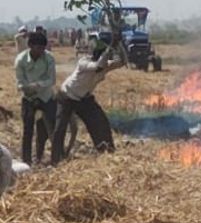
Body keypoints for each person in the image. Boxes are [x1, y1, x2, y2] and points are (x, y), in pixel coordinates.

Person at [51, 35, 125, 165]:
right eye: (102, 54)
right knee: (60, 128)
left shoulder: (106, 64)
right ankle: (56, 160)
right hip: (67, 96)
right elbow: (98, 66)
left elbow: (122, 61)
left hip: (84, 99)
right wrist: (110, 47)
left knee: (101, 123)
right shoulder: (84, 62)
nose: (105, 57)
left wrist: (118, 45)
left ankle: (107, 152)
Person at [14, 30, 57, 164]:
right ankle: (26, 161)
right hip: (28, 97)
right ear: (30, 46)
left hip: (45, 96)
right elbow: (20, 81)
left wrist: (38, 85)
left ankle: (46, 157)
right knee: (28, 130)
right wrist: (26, 88)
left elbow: (51, 80)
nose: (41, 51)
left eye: (43, 48)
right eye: (38, 48)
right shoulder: (20, 60)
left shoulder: (49, 58)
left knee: (48, 129)